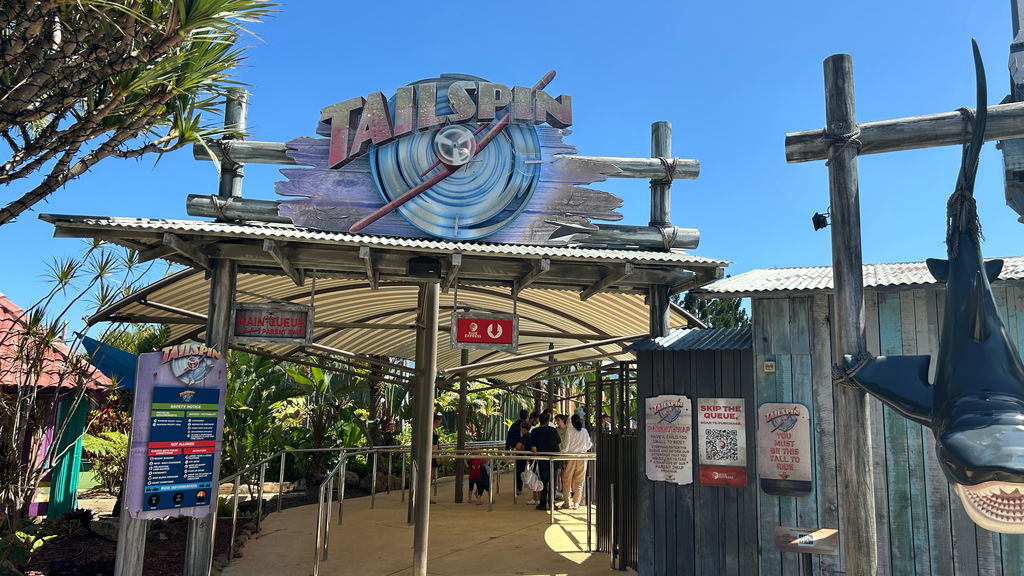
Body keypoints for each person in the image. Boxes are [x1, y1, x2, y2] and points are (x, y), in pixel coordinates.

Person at [530, 412, 562, 510]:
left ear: (539, 420)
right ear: (548, 421)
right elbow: (559, 441)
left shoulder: (535, 431)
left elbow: (534, 448)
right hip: (554, 459)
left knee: (543, 481)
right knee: (553, 481)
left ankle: (543, 503)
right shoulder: (553, 430)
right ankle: (552, 503)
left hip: (542, 459)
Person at [561, 414, 593, 509]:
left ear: (572, 422)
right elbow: (589, 445)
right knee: (580, 480)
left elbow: (566, 445)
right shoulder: (584, 431)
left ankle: (566, 501)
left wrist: (562, 453)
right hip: (582, 457)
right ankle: (576, 502)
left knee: (567, 479)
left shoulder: (569, 430)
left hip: (571, 456)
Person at [515, 420, 540, 504]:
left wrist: (523, 449)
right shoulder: (531, 435)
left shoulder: (525, 436)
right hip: (537, 458)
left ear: (523, 429)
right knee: (537, 477)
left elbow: (517, 446)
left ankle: (536, 498)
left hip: (532, 459)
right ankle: (538, 496)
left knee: (533, 478)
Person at [506, 409, 529, 494]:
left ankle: (518, 488)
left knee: (518, 468)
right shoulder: (526, 425)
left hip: (515, 448)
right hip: (523, 448)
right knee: (522, 468)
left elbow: (509, 436)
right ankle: (520, 487)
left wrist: (507, 448)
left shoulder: (514, 424)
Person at [431, 413, 442, 504]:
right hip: (432, 455)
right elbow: (433, 445)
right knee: (430, 477)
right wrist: (436, 456)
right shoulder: (431, 431)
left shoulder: (433, 431)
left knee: (432, 477)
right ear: (436, 421)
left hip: (433, 454)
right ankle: (426, 496)